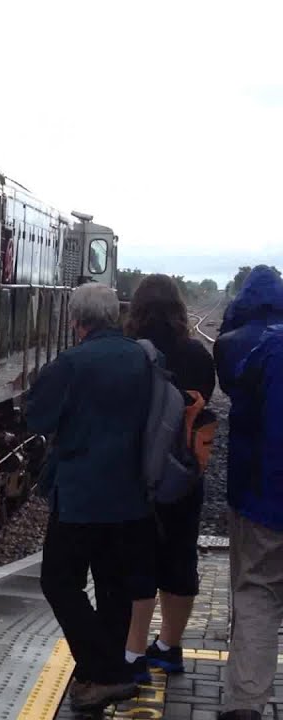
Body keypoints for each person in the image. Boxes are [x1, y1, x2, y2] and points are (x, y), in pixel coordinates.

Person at [27, 282, 155, 712]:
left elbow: (37, 418)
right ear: (114, 315)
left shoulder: (72, 363)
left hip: (80, 494)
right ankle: (104, 672)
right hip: (131, 494)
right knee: (113, 586)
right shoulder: (141, 357)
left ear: (76, 320)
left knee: (59, 582)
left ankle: (104, 671)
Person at [123, 274, 217, 683]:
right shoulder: (197, 354)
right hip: (183, 473)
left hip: (135, 472)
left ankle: (132, 652)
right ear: (179, 307)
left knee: (136, 559)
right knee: (180, 557)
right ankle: (169, 646)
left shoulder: (130, 352)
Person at [214, 266, 283, 720]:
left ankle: (245, 703)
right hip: (262, 492)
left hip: (261, 497)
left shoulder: (241, 345)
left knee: (257, 590)